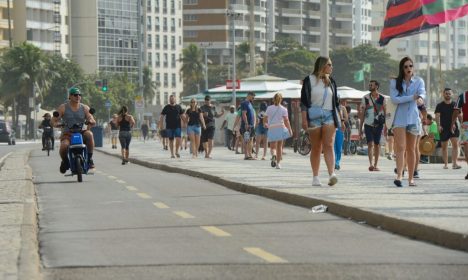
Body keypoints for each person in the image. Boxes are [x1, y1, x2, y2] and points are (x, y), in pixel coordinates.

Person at [300, 56, 340, 187]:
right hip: (314, 116)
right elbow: (304, 102)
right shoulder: (309, 80)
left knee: (329, 145)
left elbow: (336, 102)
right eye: (329, 64)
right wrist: (304, 119)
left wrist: (340, 118)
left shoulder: (331, 82)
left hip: (329, 115)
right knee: (316, 147)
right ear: (322, 65)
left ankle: (331, 174)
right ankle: (315, 177)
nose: (332, 67)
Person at [390, 56, 426, 187]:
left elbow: (422, 94)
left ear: (413, 67)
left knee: (412, 149)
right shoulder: (395, 82)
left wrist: (420, 98)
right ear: (402, 68)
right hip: (399, 119)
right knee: (400, 148)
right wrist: (412, 97)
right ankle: (399, 175)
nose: (408, 68)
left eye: (410, 66)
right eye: (405, 66)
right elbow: (394, 99)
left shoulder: (419, 81)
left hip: (414, 118)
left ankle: (411, 178)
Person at [51, 87, 96, 173]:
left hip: (82, 132)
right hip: (68, 133)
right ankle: (65, 161)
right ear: (70, 96)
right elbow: (54, 119)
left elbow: (91, 118)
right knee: (64, 146)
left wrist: (91, 121)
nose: (78, 96)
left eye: (79, 95)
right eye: (75, 95)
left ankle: (90, 159)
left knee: (90, 134)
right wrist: (56, 123)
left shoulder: (85, 108)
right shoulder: (63, 107)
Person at [359, 80, 387, 172]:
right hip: (368, 124)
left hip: (379, 124)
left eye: (371, 85)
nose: (370, 86)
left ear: (377, 86)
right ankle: (371, 164)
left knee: (377, 144)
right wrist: (360, 128)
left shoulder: (382, 98)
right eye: (369, 84)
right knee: (370, 144)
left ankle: (376, 165)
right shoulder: (365, 98)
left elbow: (386, 113)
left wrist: (386, 126)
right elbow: (362, 113)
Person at [435, 88, 462, 170]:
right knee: (444, 147)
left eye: (449, 93)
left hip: (454, 127)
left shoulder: (455, 105)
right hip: (443, 128)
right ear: (443, 94)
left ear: (452, 94)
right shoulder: (439, 105)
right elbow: (437, 116)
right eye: (446, 93)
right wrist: (438, 126)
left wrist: (463, 124)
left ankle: (454, 163)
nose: (448, 95)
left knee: (455, 145)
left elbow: (460, 116)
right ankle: (446, 164)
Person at [265, 93, 292, 169]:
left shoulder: (269, 108)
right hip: (280, 127)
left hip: (272, 128)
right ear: (281, 99)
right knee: (279, 146)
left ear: (273, 99)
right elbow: (286, 121)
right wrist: (290, 130)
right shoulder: (284, 109)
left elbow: (265, 117)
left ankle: (273, 155)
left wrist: (265, 124)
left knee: (273, 147)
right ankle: (278, 164)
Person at [452, 90, 468, 179]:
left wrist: (452, 124)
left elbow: (456, 110)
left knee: (466, 148)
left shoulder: (463, 95)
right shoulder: (463, 95)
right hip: (465, 125)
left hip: (466, 124)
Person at [240, 92, 256, 160]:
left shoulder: (250, 103)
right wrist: (246, 123)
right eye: (253, 97)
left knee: (251, 140)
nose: (253, 99)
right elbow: (244, 114)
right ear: (249, 96)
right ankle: (246, 155)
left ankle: (250, 154)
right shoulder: (244, 103)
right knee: (246, 140)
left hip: (251, 125)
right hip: (247, 125)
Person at [335, 102, 348, 170]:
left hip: (340, 129)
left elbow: (346, 118)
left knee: (339, 147)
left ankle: (337, 162)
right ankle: (334, 162)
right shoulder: (330, 107)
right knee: (333, 147)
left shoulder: (342, 108)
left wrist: (341, 120)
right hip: (331, 128)